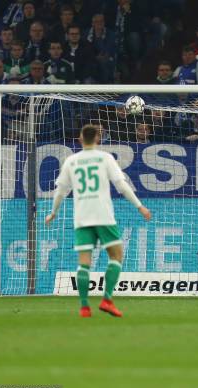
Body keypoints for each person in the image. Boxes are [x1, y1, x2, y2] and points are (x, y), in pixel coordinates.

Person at [45, 124, 151, 318]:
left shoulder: (71, 161)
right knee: (116, 255)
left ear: (80, 139)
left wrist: (53, 212)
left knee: (84, 262)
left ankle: (85, 307)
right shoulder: (105, 158)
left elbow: (61, 191)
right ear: (98, 139)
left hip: (82, 217)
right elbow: (122, 185)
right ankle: (107, 299)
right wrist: (139, 206)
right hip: (103, 215)